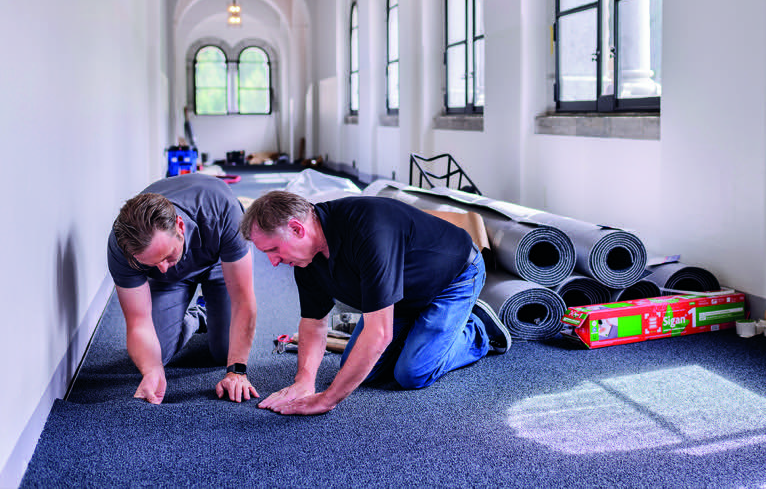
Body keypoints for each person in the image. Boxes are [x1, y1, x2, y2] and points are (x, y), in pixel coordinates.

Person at [239, 191, 511, 416]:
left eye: (273, 250)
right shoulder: (306, 261)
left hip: (452, 279)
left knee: (412, 372)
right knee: (364, 372)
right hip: (400, 297)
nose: (273, 262)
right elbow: (314, 322)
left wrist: (327, 400)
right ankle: (423, 330)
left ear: (297, 229)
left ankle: (478, 329)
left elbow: (379, 334)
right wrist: (304, 382)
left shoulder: (368, 229)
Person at [108, 173, 258, 404]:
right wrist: (152, 370)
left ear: (180, 226)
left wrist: (237, 371)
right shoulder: (123, 248)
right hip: (174, 282)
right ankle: (198, 315)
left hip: (219, 260)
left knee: (224, 352)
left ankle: (211, 308)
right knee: (156, 354)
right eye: (152, 264)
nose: (163, 269)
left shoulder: (223, 211)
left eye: (168, 256)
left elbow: (243, 300)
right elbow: (138, 321)